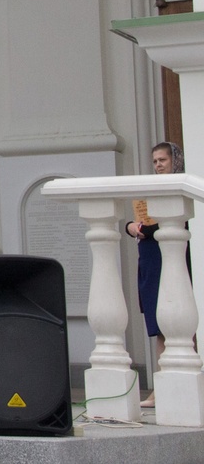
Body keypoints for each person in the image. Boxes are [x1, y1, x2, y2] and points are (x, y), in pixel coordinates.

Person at [125, 141, 186, 409]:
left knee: (178, 320)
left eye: (163, 160)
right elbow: (140, 220)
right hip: (150, 260)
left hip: (171, 258)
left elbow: (169, 223)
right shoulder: (150, 189)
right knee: (158, 323)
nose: (159, 165)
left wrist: (143, 229)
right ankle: (160, 389)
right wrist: (130, 226)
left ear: (175, 161)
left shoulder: (181, 186)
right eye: (155, 161)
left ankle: (178, 386)